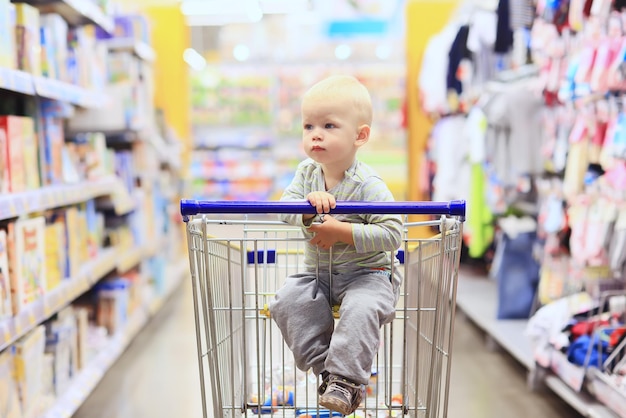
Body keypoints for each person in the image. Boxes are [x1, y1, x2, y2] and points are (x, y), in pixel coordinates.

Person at [269, 75, 403, 415]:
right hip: (318, 274)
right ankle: (328, 373)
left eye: (329, 125)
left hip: (368, 275)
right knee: (286, 300)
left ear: (360, 136)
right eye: (308, 125)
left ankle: (345, 379)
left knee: (361, 308)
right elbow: (284, 211)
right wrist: (304, 210)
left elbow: (392, 234)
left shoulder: (368, 184)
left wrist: (340, 231)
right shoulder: (306, 174)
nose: (316, 134)